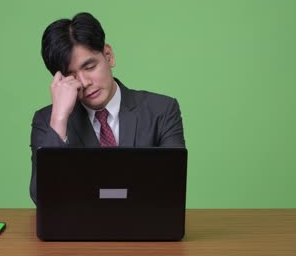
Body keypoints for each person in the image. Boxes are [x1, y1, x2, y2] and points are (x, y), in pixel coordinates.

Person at [30, 12, 185, 204]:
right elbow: (42, 198)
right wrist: (59, 119)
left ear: (108, 56)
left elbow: (172, 188)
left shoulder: (162, 110)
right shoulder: (47, 121)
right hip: (79, 230)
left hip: (145, 228)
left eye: (90, 67)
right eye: (71, 75)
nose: (85, 82)